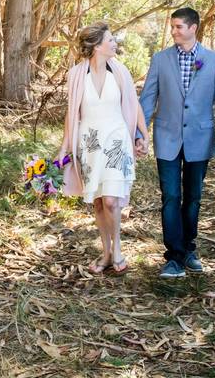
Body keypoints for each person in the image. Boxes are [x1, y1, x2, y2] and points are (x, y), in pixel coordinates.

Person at [137, 7, 215, 279]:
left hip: (200, 139)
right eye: (173, 26)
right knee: (171, 197)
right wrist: (140, 134)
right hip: (166, 137)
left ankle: (189, 249)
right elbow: (147, 99)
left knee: (193, 198)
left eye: (179, 26)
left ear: (193, 28)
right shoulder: (160, 60)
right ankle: (174, 257)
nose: (174, 31)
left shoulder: (214, 61)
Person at [57, 22, 150, 275]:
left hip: (117, 140)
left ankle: (117, 248)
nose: (115, 43)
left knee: (111, 200)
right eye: (110, 40)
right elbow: (71, 113)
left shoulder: (120, 72)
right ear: (97, 45)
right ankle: (106, 252)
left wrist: (144, 134)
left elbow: (134, 103)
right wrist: (64, 148)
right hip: (89, 143)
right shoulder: (76, 74)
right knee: (98, 202)